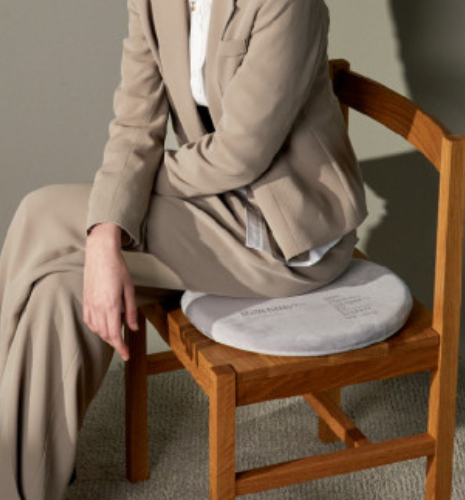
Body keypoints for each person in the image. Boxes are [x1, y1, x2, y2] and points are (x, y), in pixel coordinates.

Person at [0, 0, 368, 498]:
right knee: (60, 289)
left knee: (42, 212)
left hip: (283, 231)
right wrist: (113, 218)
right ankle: (22, 478)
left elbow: (239, 156)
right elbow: (135, 125)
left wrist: (110, 223)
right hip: (203, 204)